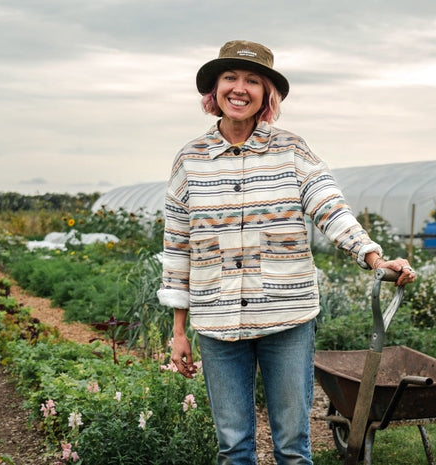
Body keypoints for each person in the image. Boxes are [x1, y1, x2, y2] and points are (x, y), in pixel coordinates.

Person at [157, 39, 416, 465]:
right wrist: (179, 330)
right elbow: (177, 246)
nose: (240, 88)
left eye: (252, 81)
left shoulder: (292, 150)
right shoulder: (191, 159)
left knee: (293, 447)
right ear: (215, 91)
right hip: (218, 321)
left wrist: (372, 256)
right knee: (233, 445)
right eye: (230, 78)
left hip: (286, 315)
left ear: (266, 95)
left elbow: (329, 207)